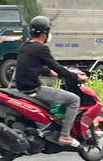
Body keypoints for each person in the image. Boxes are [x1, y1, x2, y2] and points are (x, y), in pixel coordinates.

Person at [14, 14, 83, 146]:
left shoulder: (25, 46)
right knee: (75, 100)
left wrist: (48, 71)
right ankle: (65, 135)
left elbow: (31, 67)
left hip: (21, 89)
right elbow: (57, 67)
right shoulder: (41, 48)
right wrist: (76, 77)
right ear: (44, 34)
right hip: (34, 90)